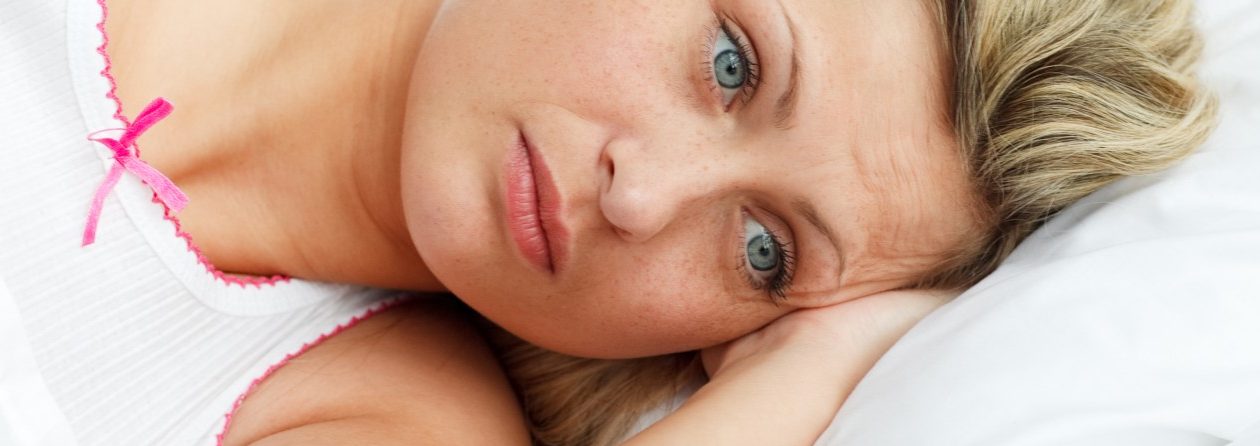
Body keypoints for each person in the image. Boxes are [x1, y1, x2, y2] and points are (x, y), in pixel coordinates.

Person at [0, 0, 1214, 445]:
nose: (644, 196)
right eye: (734, 60)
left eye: (763, 251)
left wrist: (810, 376)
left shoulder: (375, 416)